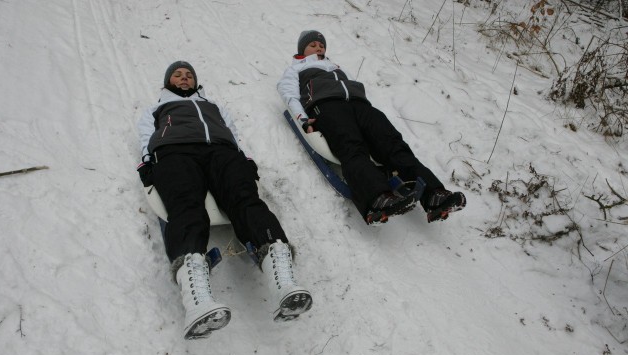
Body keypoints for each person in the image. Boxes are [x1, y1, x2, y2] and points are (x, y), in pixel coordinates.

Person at [137, 61, 312, 339]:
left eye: (189, 75)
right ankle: (197, 300)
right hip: (174, 152)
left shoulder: (214, 107)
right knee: (186, 206)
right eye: (178, 75)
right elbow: (147, 136)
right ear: (168, 82)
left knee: (246, 201)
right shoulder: (156, 109)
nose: (184, 78)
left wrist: (245, 159)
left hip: (222, 151)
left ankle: (284, 279)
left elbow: (232, 133)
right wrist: (147, 162)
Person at [277, 31, 466, 225]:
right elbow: (290, 95)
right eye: (313, 44)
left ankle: (434, 195)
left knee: (392, 143)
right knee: (351, 147)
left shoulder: (335, 66)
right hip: (326, 106)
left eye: (321, 45)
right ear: (302, 49)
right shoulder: (295, 70)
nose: (319, 47)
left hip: (360, 106)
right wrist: (303, 119)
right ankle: (376, 198)